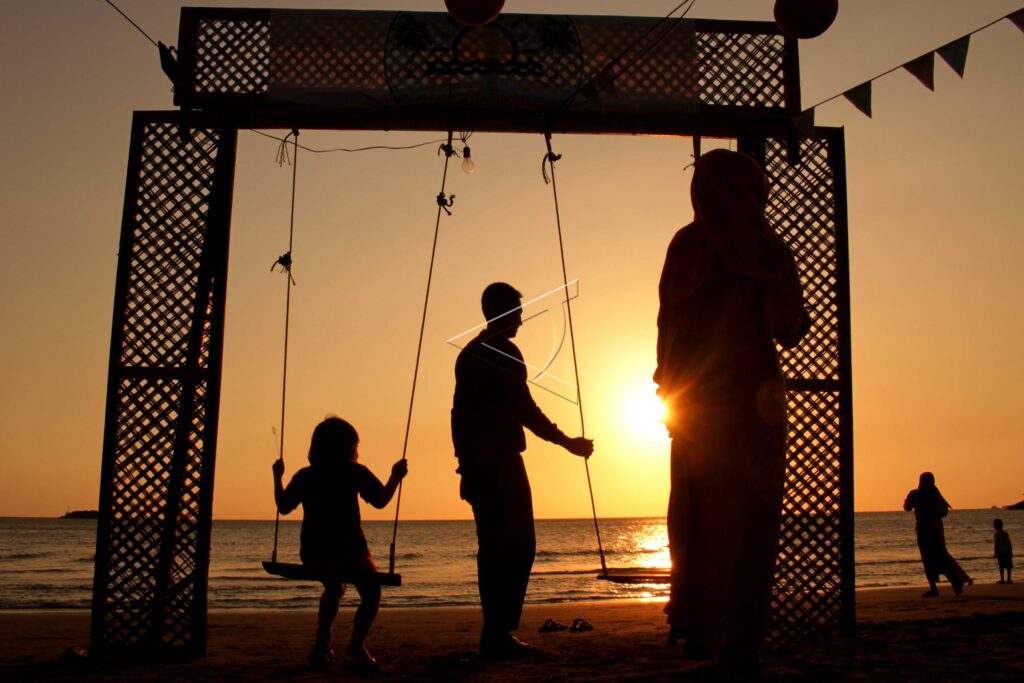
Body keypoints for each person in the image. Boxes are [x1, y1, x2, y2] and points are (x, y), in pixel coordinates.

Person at [654, 149, 810, 670]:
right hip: (750, 409)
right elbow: (787, 324)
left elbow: (666, 329)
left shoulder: (683, 247)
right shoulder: (765, 249)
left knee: (694, 522)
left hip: (692, 412)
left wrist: (670, 388)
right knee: (746, 529)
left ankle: (697, 631)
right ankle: (736, 646)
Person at [451, 282, 594, 660]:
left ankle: (495, 634)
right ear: (496, 310)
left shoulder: (470, 353)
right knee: (515, 547)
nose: (521, 317)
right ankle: (497, 635)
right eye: (516, 309)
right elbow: (525, 410)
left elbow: (459, 416)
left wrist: (464, 465)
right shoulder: (499, 353)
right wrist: (568, 442)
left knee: (498, 549)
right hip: (497, 463)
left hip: (482, 464)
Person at [272, 416, 408, 670]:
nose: (357, 450)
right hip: (350, 553)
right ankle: (355, 648)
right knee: (371, 593)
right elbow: (380, 500)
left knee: (334, 588)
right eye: (355, 445)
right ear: (348, 447)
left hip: (314, 554)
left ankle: (322, 644)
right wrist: (395, 477)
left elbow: (283, 505)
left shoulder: (305, 476)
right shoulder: (354, 472)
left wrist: (277, 477)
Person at [902, 471, 972, 596]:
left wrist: (933, 509)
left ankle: (954, 584)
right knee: (929, 559)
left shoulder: (934, 495)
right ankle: (937, 588)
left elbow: (944, 512)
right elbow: (907, 507)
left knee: (941, 557)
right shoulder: (917, 494)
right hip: (924, 530)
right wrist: (910, 499)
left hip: (933, 530)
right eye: (926, 481)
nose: (928, 484)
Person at [993, 518, 1014, 583]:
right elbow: (1009, 543)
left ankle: (1002, 579)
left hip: (1001, 552)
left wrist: (995, 552)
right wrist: (1011, 551)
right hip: (1007, 551)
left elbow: (997, 544)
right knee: (1008, 566)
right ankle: (1009, 579)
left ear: (995, 526)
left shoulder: (996, 534)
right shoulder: (1005, 533)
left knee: (1001, 566)